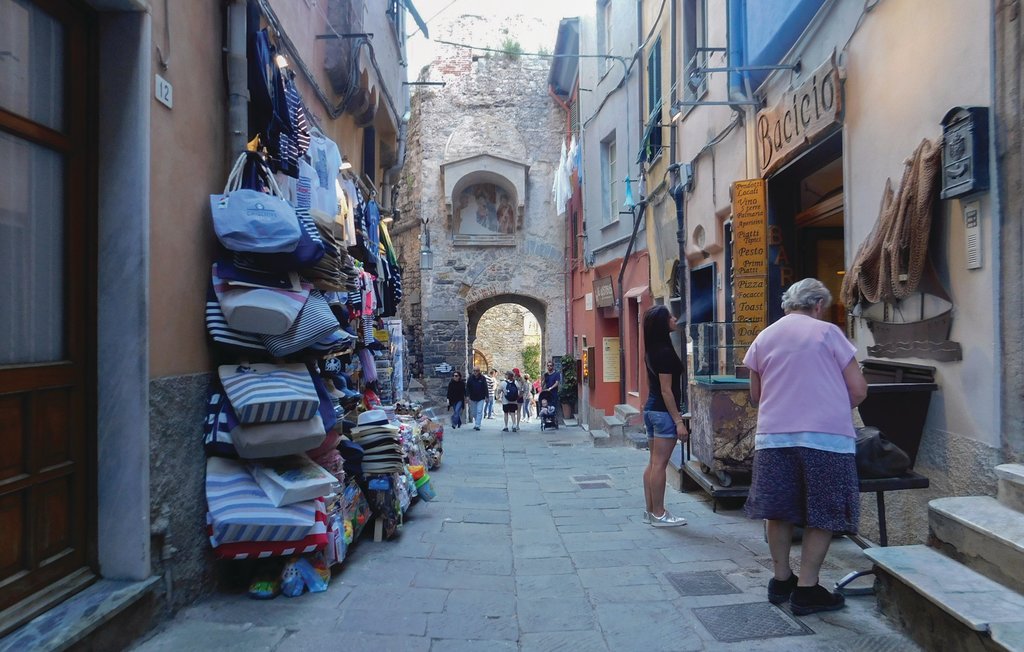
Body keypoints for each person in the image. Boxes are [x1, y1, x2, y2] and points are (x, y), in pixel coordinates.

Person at [742, 278, 868, 616]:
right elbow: (858, 390)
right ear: (818, 305)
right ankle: (807, 589)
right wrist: (829, 405)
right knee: (823, 512)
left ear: (787, 305)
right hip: (826, 439)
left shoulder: (763, 337)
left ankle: (781, 580)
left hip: (774, 437)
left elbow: (756, 395)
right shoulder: (828, 333)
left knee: (778, 510)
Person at [641, 305, 689, 528]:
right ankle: (659, 514)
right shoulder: (665, 353)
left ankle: (651, 511)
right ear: (662, 323)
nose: (674, 318)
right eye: (669, 316)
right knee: (660, 464)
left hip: (651, 410)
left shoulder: (651, 350)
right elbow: (666, 391)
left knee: (653, 463)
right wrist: (679, 421)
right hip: (662, 412)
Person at [465, 367, 489, 431]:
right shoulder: (470, 378)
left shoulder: (482, 378)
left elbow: (485, 387)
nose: (475, 372)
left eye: (477, 371)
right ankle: (477, 421)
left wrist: (487, 396)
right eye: (474, 371)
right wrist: (467, 396)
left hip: (481, 397)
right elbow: (467, 388)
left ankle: (477, 425)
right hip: (472, 397)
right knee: (473, 412)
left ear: (479, 371)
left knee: (479, 411)